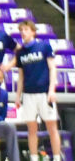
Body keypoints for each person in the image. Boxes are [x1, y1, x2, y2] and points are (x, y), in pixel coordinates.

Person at [15, 20, 62, 161]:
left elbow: (53, 68)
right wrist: (18, 96)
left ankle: (57, 157)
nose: (23, 32)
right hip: (28, 94)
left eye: (26, 29)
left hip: (44, 93)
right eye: (21, 30)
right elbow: (21, 76)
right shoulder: (20, 52)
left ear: (33, 31)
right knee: (31, 129)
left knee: (52, 128)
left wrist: (52, 90)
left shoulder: (44, 47)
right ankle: (34, 158)